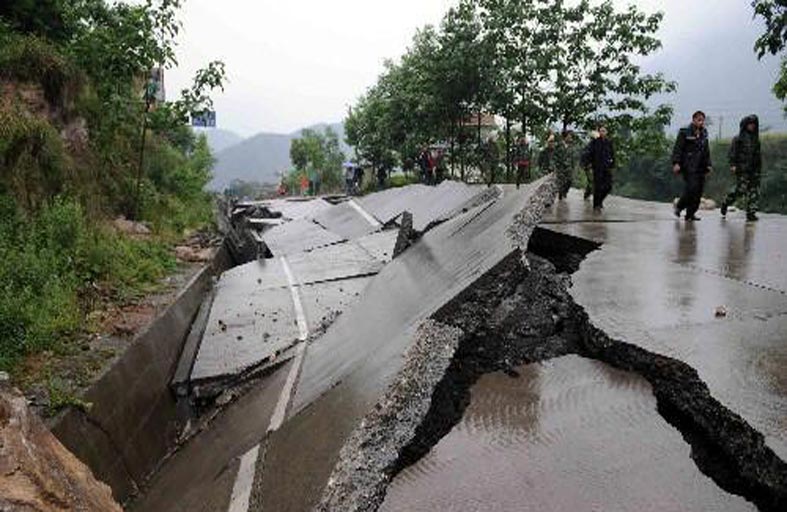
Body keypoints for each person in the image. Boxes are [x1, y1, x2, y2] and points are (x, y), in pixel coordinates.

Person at [672, 111, 713, 221]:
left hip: (701, 167)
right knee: (691, 188)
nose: (701, 122)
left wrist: (709, 164)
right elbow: (678, 148)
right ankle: (679, 206)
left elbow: (706, 150)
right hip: (688, 166)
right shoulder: (685, 132)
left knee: (698, 192)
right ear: (693, 120)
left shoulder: (704, 133)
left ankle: (690, 214)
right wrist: (676, 163)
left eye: (702, 120)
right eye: (699, 120)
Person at [721, 114, 762, 222]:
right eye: (750, 124)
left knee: (754, 191)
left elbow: (758, 155)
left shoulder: (756, 140)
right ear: (745, 125)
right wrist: (733, 165)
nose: (752, 126)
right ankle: (726, 202)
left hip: (754, 170)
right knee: (741, 190)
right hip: (742, 169)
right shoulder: (738, 139)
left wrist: (759, 169)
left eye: (754, 124)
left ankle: (751, 213)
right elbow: (732, 153)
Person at [587, 126, 615, 210]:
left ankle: (600, 200)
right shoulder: (595, 142)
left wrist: (612, 165)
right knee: (597, 187)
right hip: (597, 167)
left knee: (608, 186)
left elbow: (612, 154)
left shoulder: (609, 142)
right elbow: (589, 153)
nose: (602, 133)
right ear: (599, 132)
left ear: (606, 132)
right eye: (601, 131)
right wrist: (588, 164)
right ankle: (596, 205)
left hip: (606, 167)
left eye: (604, 131)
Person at [555, 130, 574, 200]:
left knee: (570, 180)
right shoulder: (559, 145)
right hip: (561, 167)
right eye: (569, 136)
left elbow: (571, 157)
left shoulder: (570, 146)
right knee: (561, 182)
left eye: (570, 137)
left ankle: (564, 192)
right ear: (565, 137)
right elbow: (555, 155)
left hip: (568, 167)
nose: (570, 138)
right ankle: (560, 197)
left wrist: (572, 166)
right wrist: (556, 165)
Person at [579, 131, 598, 200]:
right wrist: (586, 165)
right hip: (589, 166)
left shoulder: (595, 146)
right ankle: (587, 195)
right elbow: (585, 156)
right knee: (591, 181)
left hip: (593, 167)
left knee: (592, 182)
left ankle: (587, 195)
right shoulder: (590, 146)